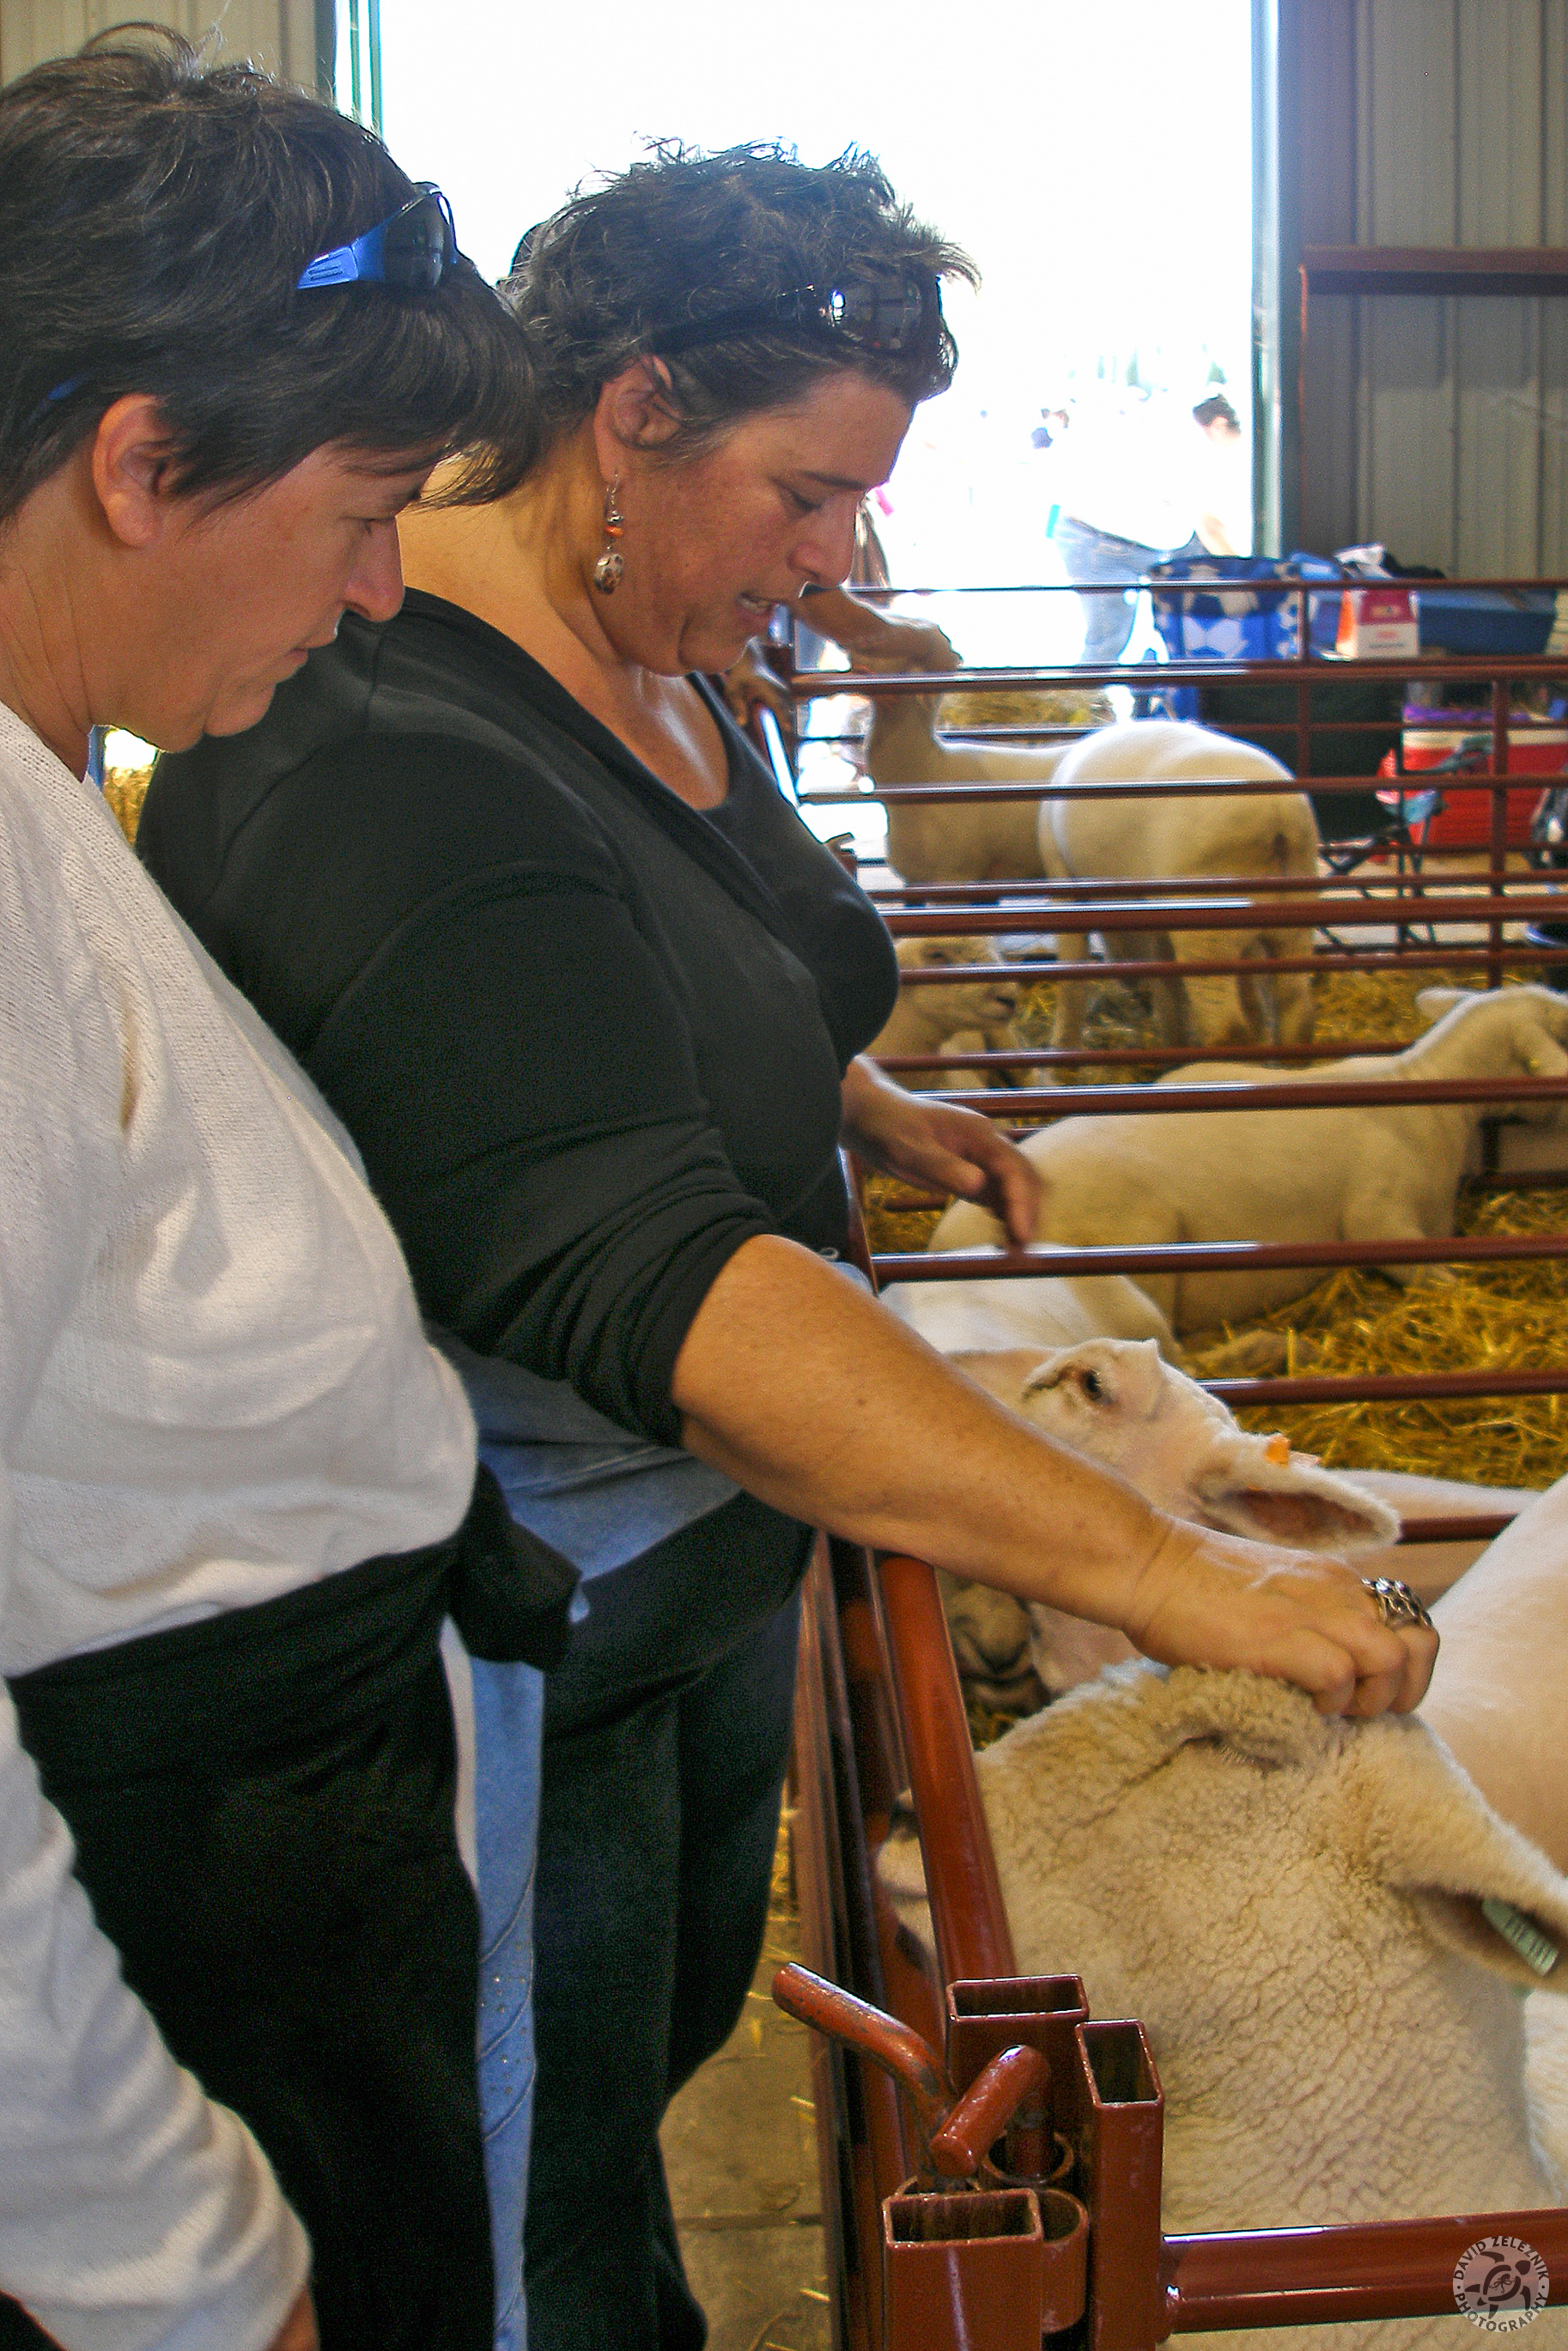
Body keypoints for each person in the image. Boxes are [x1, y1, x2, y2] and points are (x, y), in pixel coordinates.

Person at [140, 144, 1437, 2351]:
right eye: (807, 492)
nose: (849, 559)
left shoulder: (658, 645)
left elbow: (673, 949)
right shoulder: (389, 751)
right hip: (517, 1605)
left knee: (631, 2067)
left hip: (701, 1562)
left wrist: (858, 1099)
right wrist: (1167, 1566)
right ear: (631, 412)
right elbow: (656, 1275)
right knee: (515, 2175)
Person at [0, 32, 578, 2351]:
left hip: (279, 1880)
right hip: (174, 1967)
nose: (370, 596)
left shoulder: (56, 798)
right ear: (142, 461)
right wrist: (174, 2258)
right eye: (357, 512)